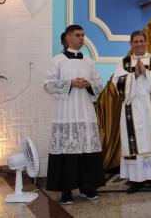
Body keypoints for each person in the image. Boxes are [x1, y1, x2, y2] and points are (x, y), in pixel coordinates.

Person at [44, 25, 104, 204]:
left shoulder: (89, 61)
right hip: (66, 112)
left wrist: (89, 85)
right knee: (67, 152)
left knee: (86, 150)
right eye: (78, 35)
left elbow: (99, 85)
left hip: (85, 111)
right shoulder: (58, 60)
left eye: (83, 35)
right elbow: (48, 84)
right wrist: (70, 83)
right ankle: (66, 191)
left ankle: (87, 187)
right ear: (67, 38)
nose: (82, 38)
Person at [112, 30, 151, 193]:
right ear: (131, 44)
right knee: (135, 141)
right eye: (135, 41)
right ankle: (136, 180)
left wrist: (146, 73)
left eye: (141, 41)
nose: (139, 44)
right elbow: (117, 82)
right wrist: (135, 75)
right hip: (133, 108)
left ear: (146, 42)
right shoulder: (124, 63)